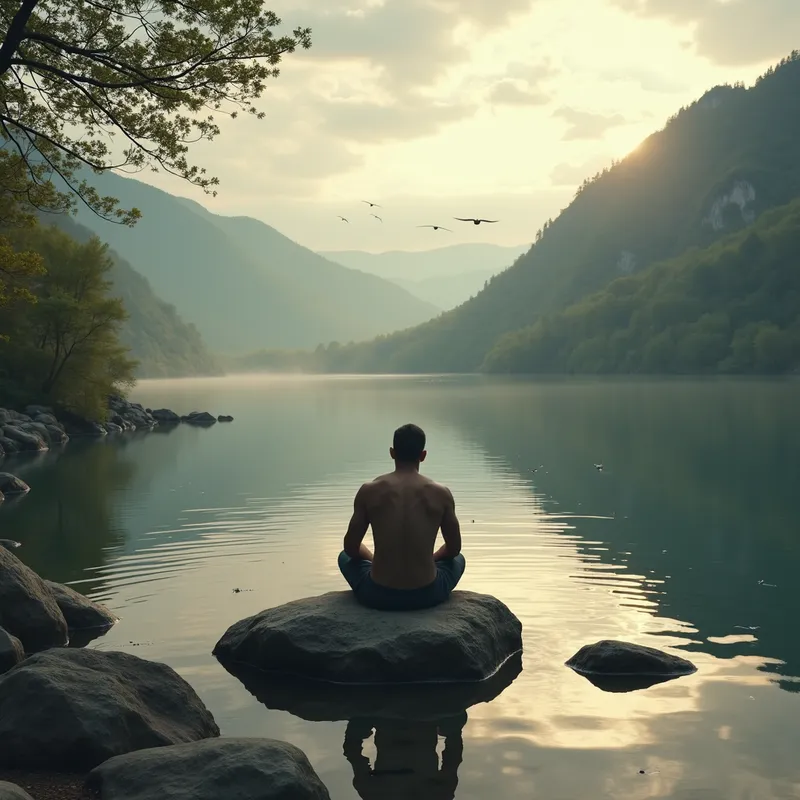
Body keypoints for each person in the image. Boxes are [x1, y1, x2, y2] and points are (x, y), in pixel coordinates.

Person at [338, 423, 466, 611]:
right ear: (423, 455)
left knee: (344, 558)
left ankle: (378, 569)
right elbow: (454, 549)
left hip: (377, 594)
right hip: (427, 594)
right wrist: (432, 559)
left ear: (392, 452)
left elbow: (350, 549)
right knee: (458, 560)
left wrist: (374, 560)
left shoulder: (369, 491)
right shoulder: (441, 494)